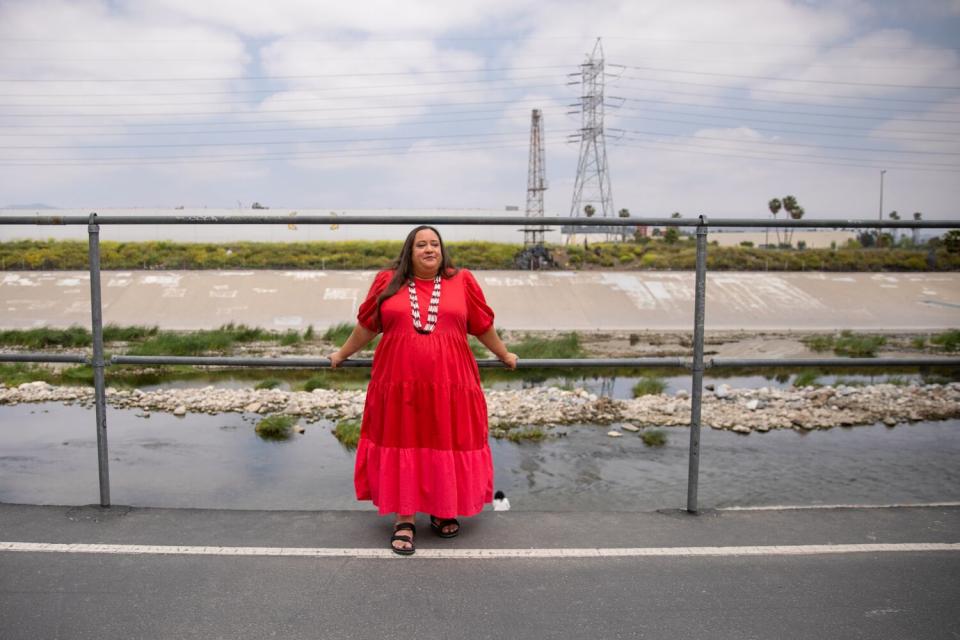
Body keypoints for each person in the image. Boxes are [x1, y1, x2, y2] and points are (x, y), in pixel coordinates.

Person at [330, 225, 518, 555]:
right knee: (404, 438)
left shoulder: (462, 281)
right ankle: (404, 518)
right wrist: (342, 353)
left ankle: (443, 508)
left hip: (451, 381)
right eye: (421, 245)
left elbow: (482, 325)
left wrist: (503, 354)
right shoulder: (387, 280)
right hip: (398, 378)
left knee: (444, 437)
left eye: (435, 244)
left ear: (442, 250)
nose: (429, 249)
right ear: (409, 251)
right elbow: (367, 326)